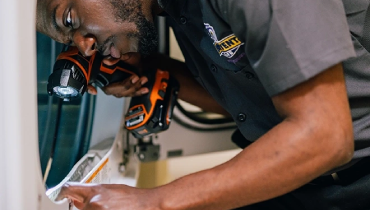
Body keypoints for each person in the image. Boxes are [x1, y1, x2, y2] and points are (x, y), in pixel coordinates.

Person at [36, 0, 370, 209]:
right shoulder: (179, 10)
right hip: (308, 185)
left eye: (68, 20)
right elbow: (258, 110)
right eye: (70, 42)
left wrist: (154, 202)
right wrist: (156, 72)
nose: (83, 46)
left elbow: (325, 137)